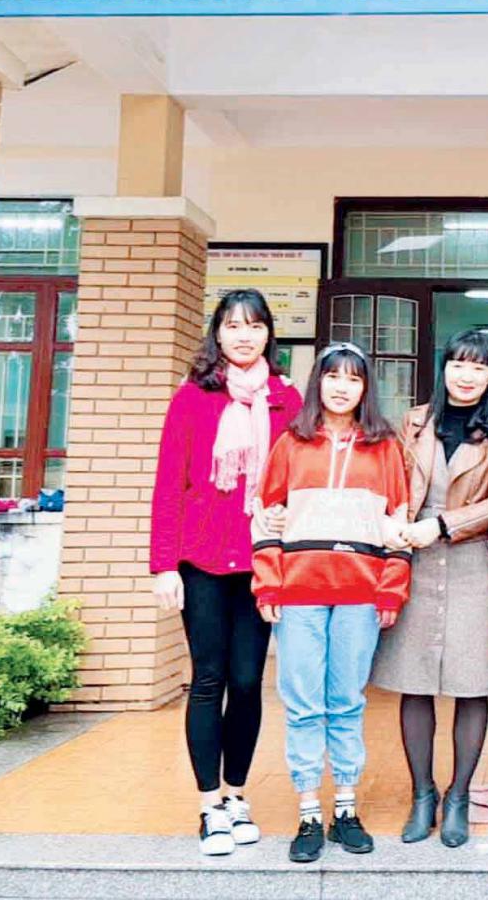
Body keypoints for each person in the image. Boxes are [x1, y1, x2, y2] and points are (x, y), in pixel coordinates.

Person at [149, 289, 301, 856]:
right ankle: (208, 803)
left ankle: (238, 795)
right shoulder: (192, 399)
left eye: (255, 325)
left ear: (268, 335)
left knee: (247, 681)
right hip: (203, 562)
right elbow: (169, 487)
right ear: (217, 333)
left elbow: (300, 478)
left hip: (262, 559)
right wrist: (163, 564)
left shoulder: (287, 400)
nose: (244, 335)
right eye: (233, 325)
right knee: (209, 679)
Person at [252, 342, 411, 864]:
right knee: (302, 706)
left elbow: (399, 527)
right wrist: (267, 584)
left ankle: (345, 808)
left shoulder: (384, 447)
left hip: (360, 594)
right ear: (318, 382)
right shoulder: (290, 444)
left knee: (346, 703)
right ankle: (308, 813)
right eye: (333, 376)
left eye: (354, 378)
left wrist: (391, 586)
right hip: (298, 591)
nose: (342, 386)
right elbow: (266, 516)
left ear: (366, 388)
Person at [372, 331, 488, 848]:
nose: (466, 375)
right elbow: (390, 481)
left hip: (473, 559)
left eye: (478, 367)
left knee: (471, 683)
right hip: (415, 556)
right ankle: (422, 794)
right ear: (444, 367)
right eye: (458, 363)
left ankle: (459, 798)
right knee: (415, 680)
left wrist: (447, 524)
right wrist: (396, 527)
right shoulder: (413, 421)